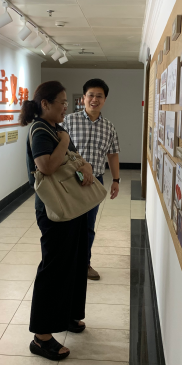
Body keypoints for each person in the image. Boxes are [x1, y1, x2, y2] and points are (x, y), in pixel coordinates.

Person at [21, 81, 94, 360]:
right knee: (53, 267)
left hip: (71, 204)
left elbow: (74, 159)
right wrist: (64, 140)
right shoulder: (41, 130)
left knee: (74, 262)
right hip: (54, 209)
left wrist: (86, 166)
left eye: (66, 102)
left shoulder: (56, 128)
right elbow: (47, 166)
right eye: (61, 102)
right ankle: (41, 337)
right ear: (45, 104)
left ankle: (67, 315)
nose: (66, 106)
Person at [62, 79, 120, 281]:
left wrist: (116, 180)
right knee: (67, 224)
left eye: (99, 96)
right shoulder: (68, 121)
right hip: (70, 181)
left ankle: (84, 264)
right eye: (91, 95)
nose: (94, 99)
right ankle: (66, 263)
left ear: (105, 100)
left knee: (88, 226)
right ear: (83, 98)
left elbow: (113, 154)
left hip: (95, 182)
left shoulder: (109, 127)